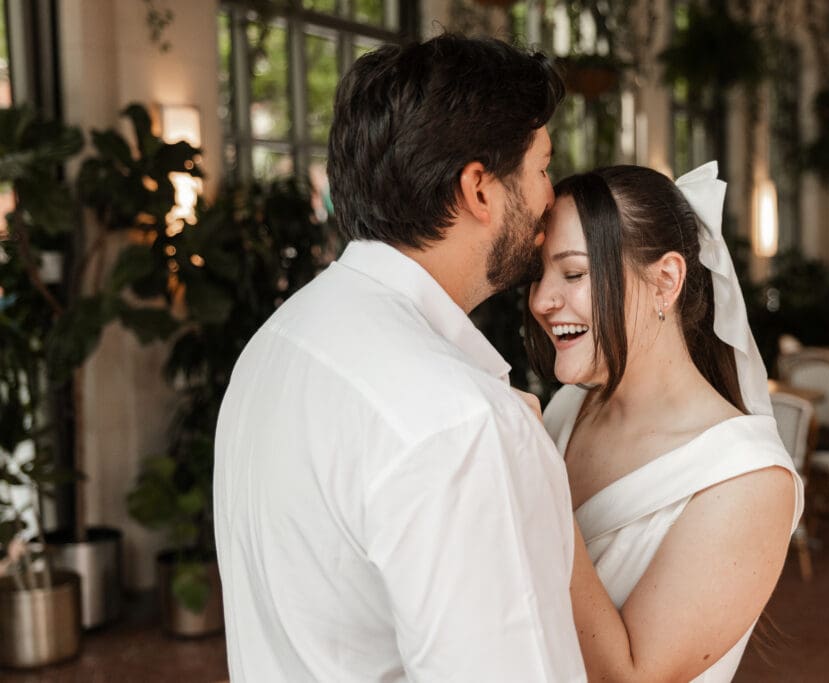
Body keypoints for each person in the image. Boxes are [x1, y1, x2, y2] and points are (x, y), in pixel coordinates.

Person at [213, 34, 586, 682]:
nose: (550, 198)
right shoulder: (459, 422)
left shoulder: (277, 341)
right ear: (479, 189)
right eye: (542, 169)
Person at [526, 163, 804, 682]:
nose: (542, 300)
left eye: (574, 274)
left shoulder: (749, 478)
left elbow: (630, 677)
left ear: (666, 281)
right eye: (538, 275)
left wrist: (530, 478)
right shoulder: (567, 409)